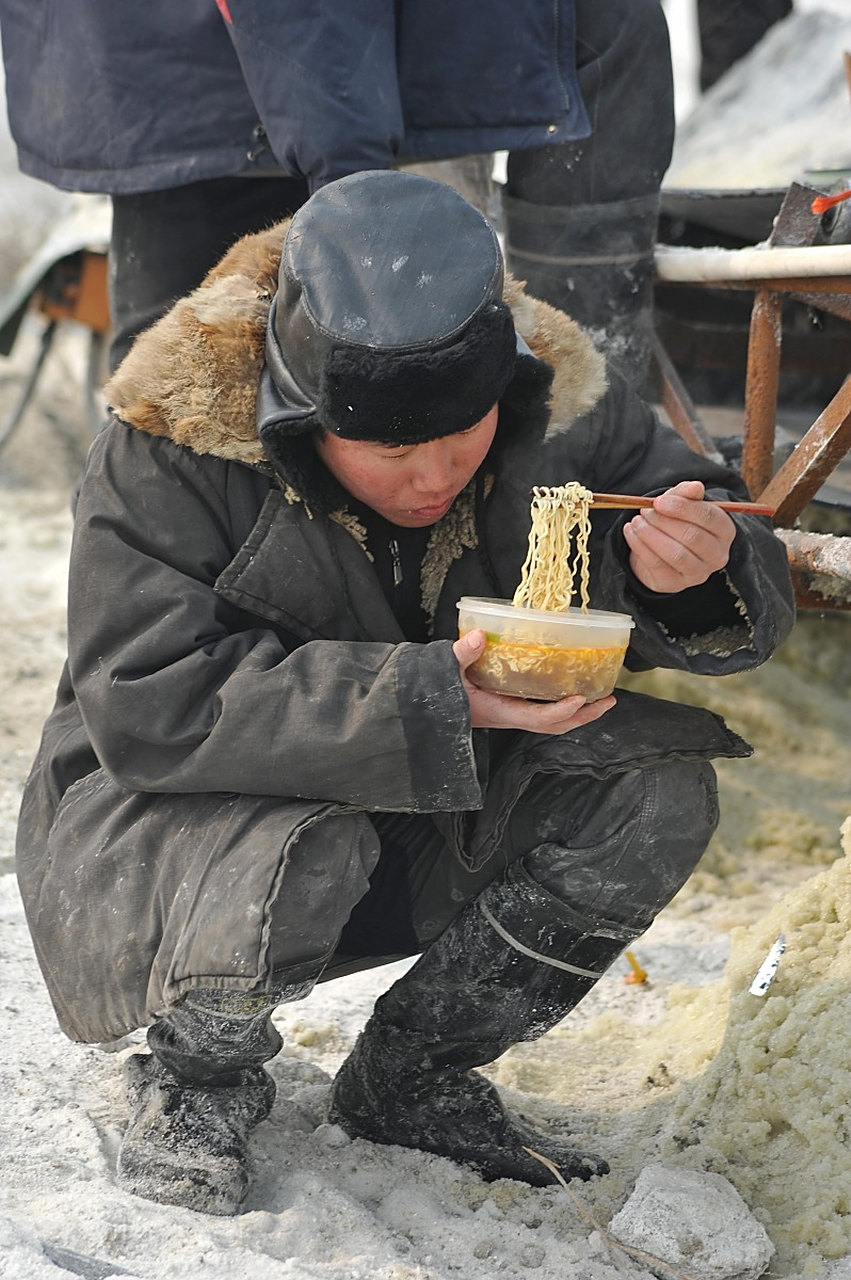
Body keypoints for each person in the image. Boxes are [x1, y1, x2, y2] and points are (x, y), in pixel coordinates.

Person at [16, 169, 795, 1216]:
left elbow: (708, 519)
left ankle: (414, 1073)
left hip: (424, 800)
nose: (432, 474)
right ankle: (192, 1077)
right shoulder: (173, 442)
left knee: (653, 790)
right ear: (299, 410)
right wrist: (432, 697)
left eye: (461, 431)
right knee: (308, 844)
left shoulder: (548, 399)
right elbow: (150, 698)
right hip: (177, 827)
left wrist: (692, 569)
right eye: (389, 446)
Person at [0, 0, 674, 383]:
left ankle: (569, 490)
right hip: (273, 71)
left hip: (202, 67)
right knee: (191, 410)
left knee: (182, 392)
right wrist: (355, 189)